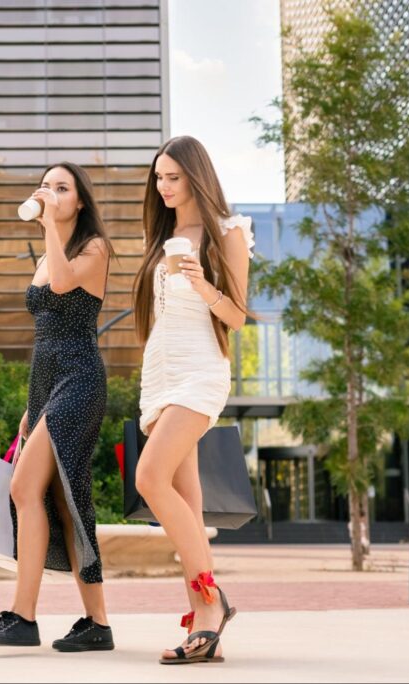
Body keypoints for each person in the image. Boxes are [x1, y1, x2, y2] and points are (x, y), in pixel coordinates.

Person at [0, 162, 116, 652]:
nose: (51, 194)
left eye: (63, 188)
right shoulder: (50, 249)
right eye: (46, 186)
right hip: (48, 385)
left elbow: (60, 286)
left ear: (80, 201)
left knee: (24, 487)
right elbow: (44, 334)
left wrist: (51, 227)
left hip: (80, 379)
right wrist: (30, 409)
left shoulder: (93, 249)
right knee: (64, 500)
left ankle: (22, 616)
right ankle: (97, 624)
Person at [131, 136, 254, 664]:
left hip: (201, 372)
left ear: (196, 176)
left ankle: (211, 606)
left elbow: (238, 316)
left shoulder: (227, 232)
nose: (164, 187)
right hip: (160, 371)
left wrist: (204, 286)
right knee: (189, 500)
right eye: (159, 178)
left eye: (173, 177)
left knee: (148, 478)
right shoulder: (164, 235)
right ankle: (203, 632)